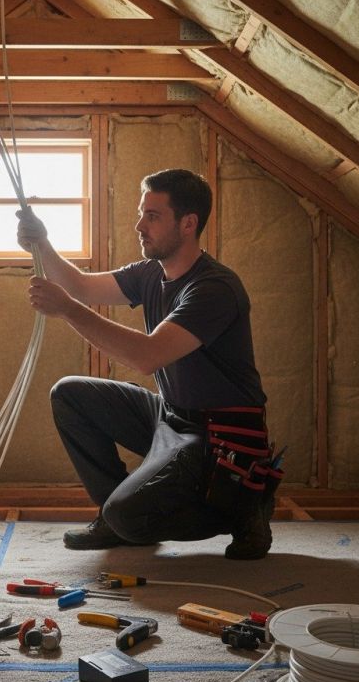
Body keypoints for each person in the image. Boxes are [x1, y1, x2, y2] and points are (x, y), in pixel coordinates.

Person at [16, 169, 280, 559]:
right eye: (142, 213)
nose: (139, 225)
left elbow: (147, 356)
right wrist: (42, 243)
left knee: (130, 517)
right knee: (70, 395)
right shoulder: (150, 273)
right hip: (170, 415)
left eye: (153, 216)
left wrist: (67, 311)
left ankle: (241, 507)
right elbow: (82, 286)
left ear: (188, 223)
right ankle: (115, 518)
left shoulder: (214, 289)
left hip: (217, 435)